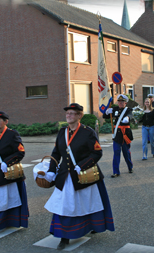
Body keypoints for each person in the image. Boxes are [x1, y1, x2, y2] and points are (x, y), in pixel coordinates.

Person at [44, 103, 114, 249]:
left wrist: (82, 165)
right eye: (67, 113)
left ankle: (92, 225)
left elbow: (97, 152)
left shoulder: (87, 132)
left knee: (87, 203)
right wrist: (51, 169)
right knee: (64, 206)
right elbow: (56, 152)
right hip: (65, 176)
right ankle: (64, 236)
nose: (68, 116)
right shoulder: (62, 132)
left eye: (72, 113)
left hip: (83, 175)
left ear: (79, 116)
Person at [102, 94, 133, 177]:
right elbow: (105, 116)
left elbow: (130, 114)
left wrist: (128, 118)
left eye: (122, 102)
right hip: (116, 135)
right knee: (116, 152)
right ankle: (116, 171)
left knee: (126, 153)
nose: (120, 103)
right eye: (119, 101)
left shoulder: (128, 109)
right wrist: (107, 111)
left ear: (125, 102)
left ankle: (130, 167)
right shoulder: (114, 109)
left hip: (125, 135)